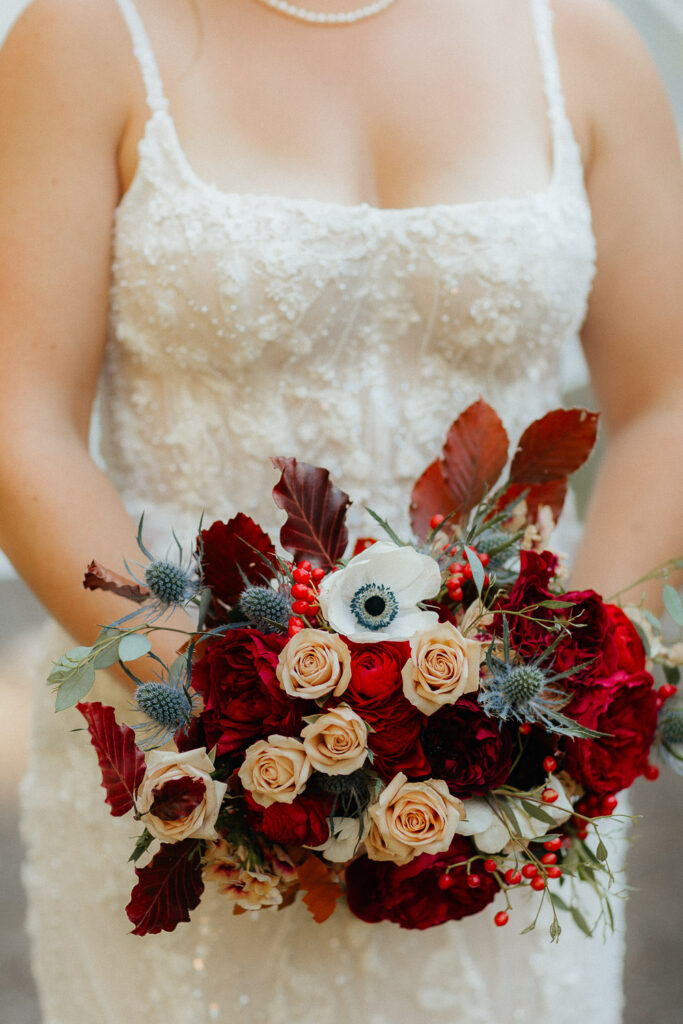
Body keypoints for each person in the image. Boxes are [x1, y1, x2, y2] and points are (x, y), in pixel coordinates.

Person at [0, 0, 681, 1021]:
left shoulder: (580, 42)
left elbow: (664, 401)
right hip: (185, 763)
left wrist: (549, 711)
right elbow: (19, 418)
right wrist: (236, 725)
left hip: (504, 794)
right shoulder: (88, 34)